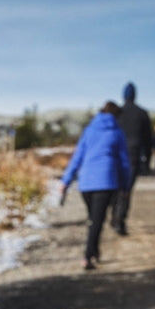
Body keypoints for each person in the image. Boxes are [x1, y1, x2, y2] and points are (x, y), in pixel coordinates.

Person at [59, 102, 131, 271]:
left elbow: (77, 157)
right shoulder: (117, 133)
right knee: (96, 220)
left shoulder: (89, 130)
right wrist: (125, 186)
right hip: (106, 182)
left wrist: (66, 180)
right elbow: (124, 163)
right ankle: (88, 256)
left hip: (85, 183)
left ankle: (94, 251)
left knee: (94, 219)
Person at [110, 82, 152, 235]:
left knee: (116, 187)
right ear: (135, 95)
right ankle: (120, 219)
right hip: (133, 156)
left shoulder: (117, 113)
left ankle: (114, 215)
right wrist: (147, 162)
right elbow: (148, 140)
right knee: (126, 190)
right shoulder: (142, 113)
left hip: (116, 156)